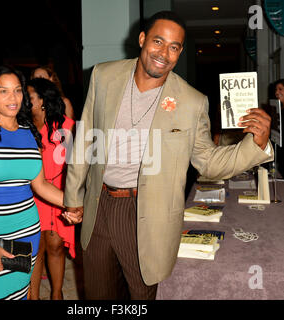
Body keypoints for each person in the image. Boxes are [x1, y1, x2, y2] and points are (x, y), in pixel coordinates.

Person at [63, 11, 273, 300]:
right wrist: (73, 197)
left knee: (141, 294)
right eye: (158, 42)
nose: (164, 53)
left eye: (174, 47)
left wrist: (256, 145)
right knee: (98, 295)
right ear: (141, 39)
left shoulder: (191, 101)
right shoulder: (104, 75)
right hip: (98, 206)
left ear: (180, 52)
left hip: (146, 214)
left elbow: (209, 163)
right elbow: (86, 138)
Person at [0, 65, 76, 300]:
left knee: (19, 295)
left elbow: (40, 185)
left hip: (25, 233)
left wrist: (73, 204)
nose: (13, 98)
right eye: (4, 91)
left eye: (18, 90)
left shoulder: (29, 132)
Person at [26, 78, 75, 300]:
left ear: (43, 101)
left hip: (56, 192)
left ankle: (57, 294)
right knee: (35, 249)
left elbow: (77, 165)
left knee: (55, 245)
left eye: (30, 96)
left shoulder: (65, 126)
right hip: (30, 195)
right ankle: (33, 296)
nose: (24, 100)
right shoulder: (22, 126)